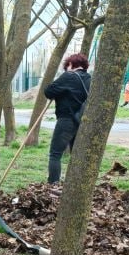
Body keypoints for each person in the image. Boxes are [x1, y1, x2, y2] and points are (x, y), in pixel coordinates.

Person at [44, 52, 91, 185]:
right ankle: (75, 185)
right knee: (76, 156)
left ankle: (52, 185)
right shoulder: (90, 79)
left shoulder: (69, 76)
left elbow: (48, 92)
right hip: (83, 122)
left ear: (70, 64)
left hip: (67, 121)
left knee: (55, 154)